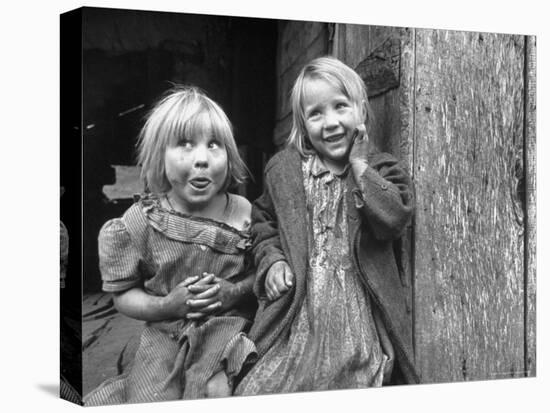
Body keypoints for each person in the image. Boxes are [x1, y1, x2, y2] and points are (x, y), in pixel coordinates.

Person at [235, 56, 420, 395]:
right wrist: (272, 260)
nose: (330, 122)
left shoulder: (382, 169)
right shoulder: (286, 171)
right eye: (316, 113)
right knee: (260, 386)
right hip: (299, 309)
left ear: (361, 110)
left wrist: (360, 166)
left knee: (348, 382)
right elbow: (263, 223)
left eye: (340, 106)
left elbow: (393, 219)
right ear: (303, 124)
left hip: (355, 315)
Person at [84, 86, 257, 405]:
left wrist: (234, 292)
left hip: (230, 330)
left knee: (223, 390)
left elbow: (259, 272)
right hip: (165, 333)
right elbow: (122, 295)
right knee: (151, 397)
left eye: (214, 146)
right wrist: (166, 306)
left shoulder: (245, 212)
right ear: (159, 157)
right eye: (184, 145)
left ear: (229, 157)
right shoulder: (142, 221)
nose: (202, 159)